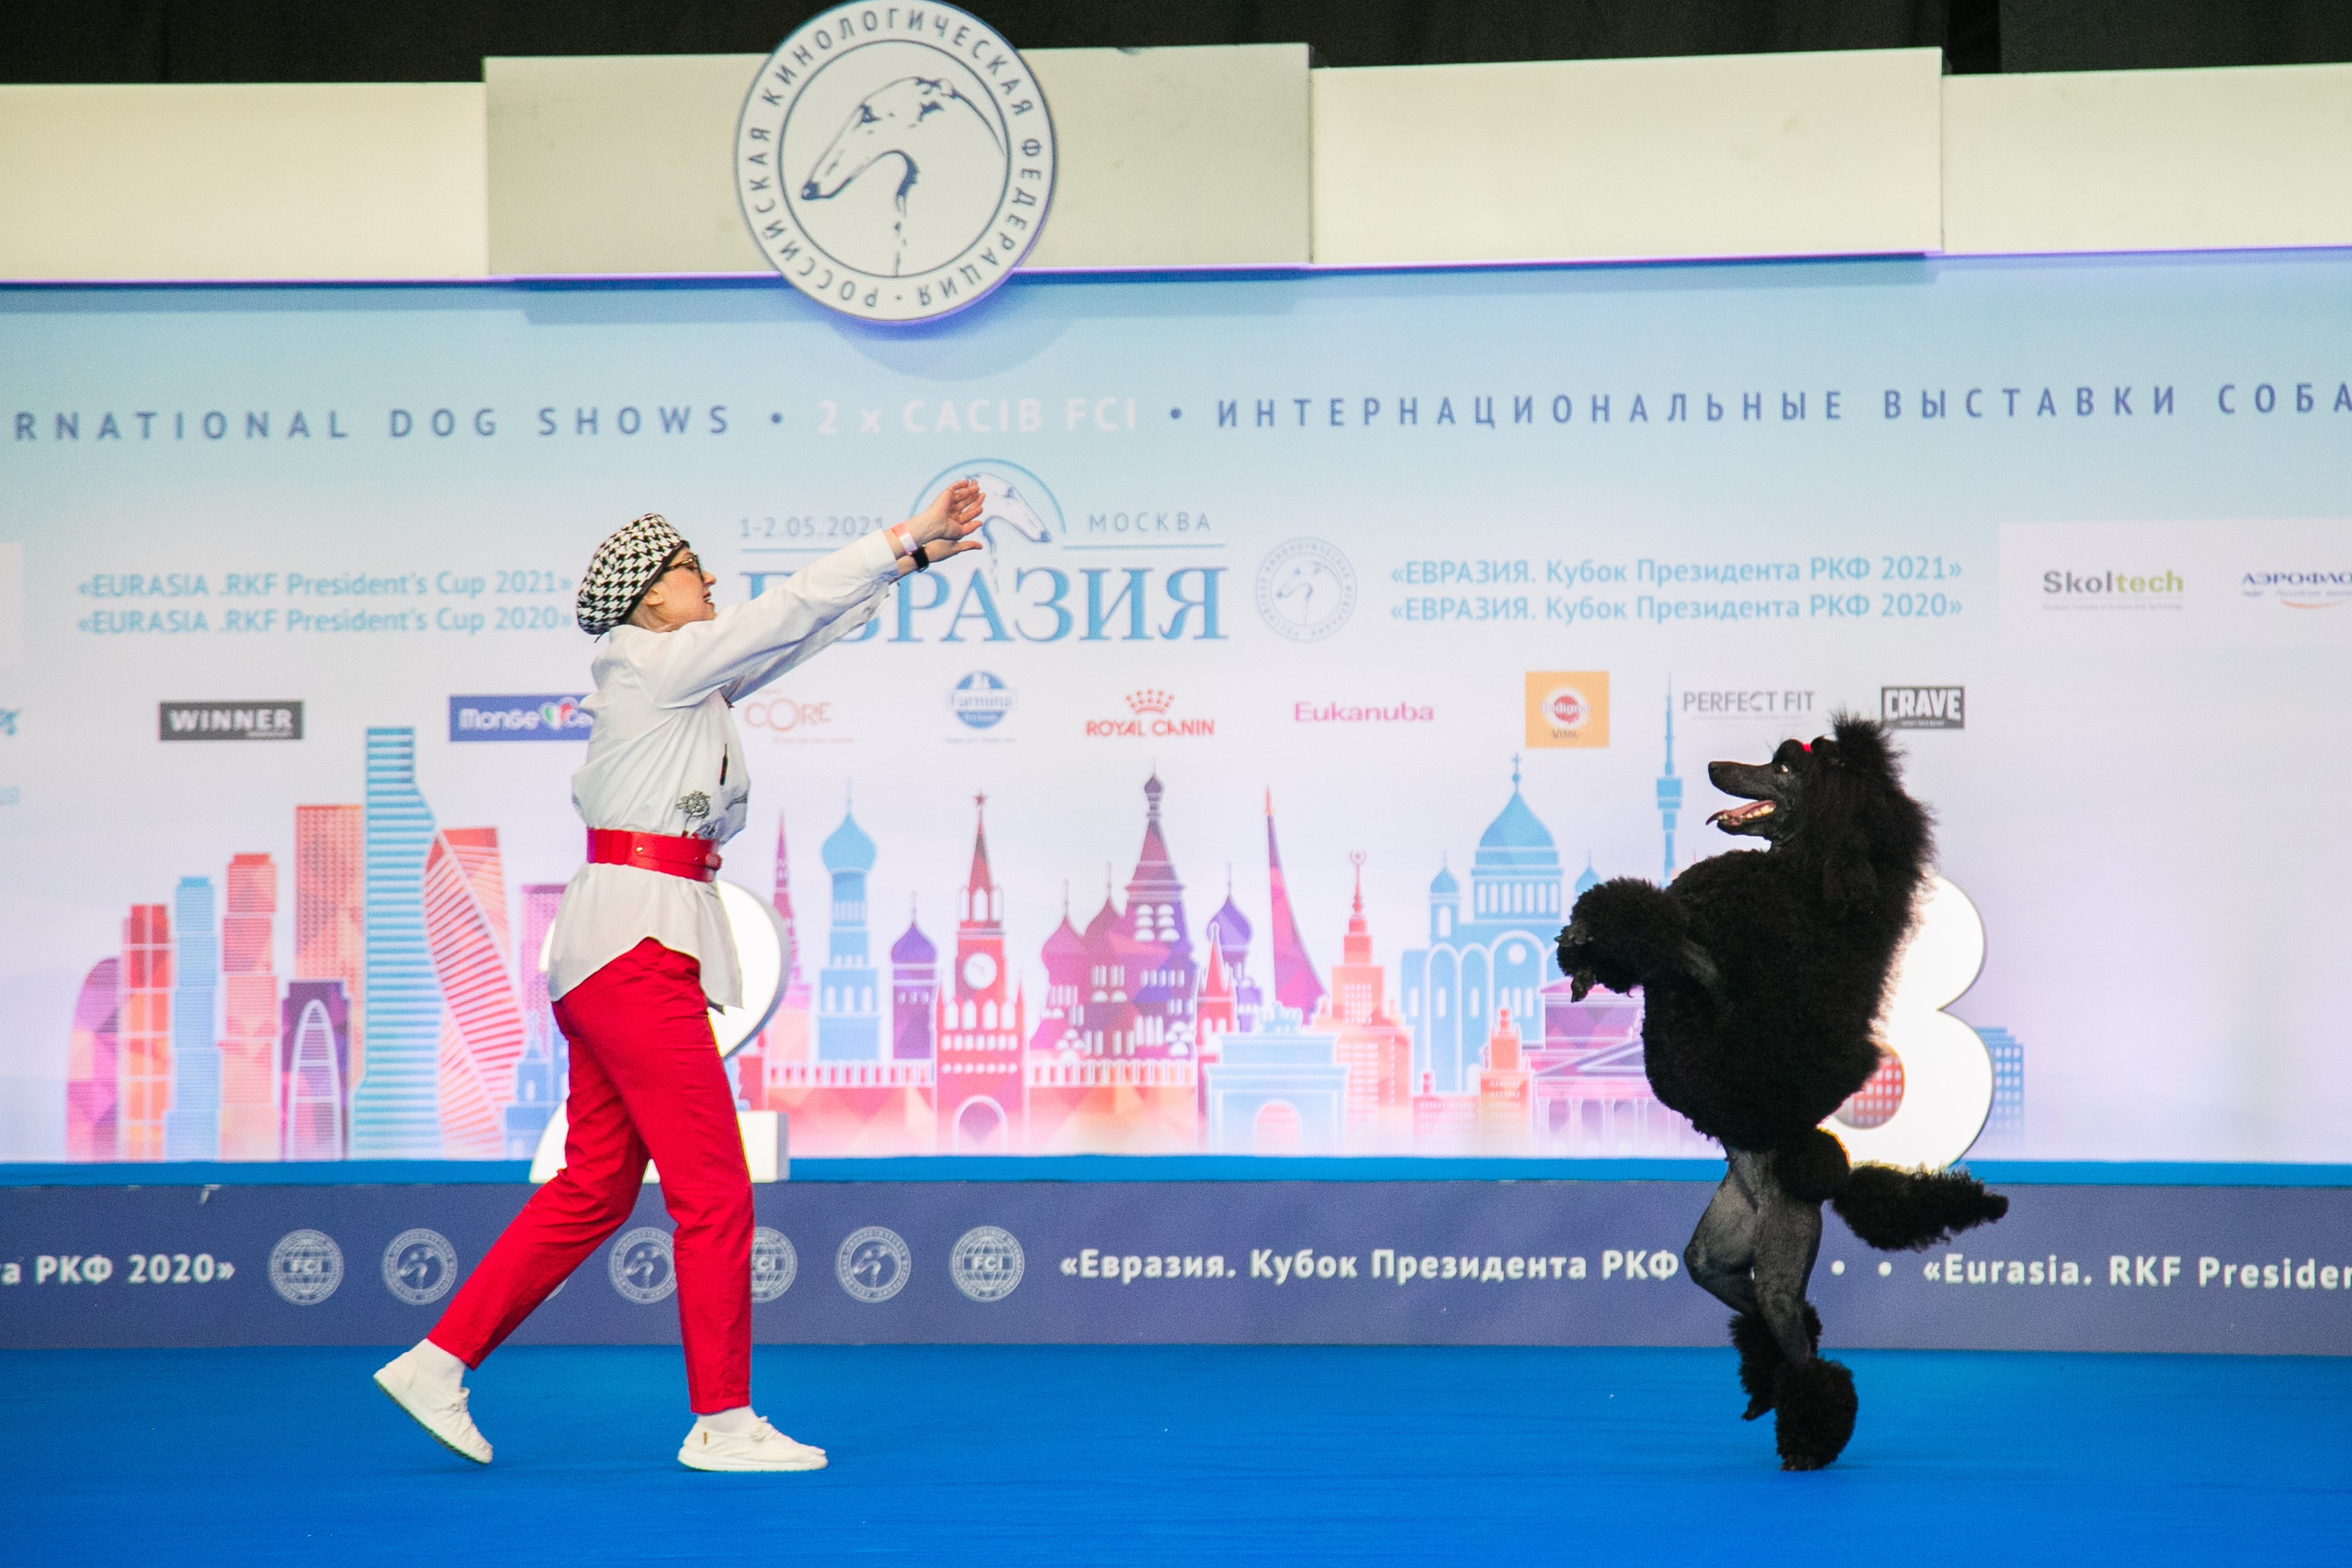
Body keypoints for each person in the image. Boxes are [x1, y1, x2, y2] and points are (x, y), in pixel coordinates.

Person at [374, 480, 984, 1472]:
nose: (711, 582)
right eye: (693, 571)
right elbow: (779, 613)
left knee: (594, 1187)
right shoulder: (652, 665)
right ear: (652, 600)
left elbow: (786, 642)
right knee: (710, 1186)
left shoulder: (673, 681)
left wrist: (909, 565)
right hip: (638, 948)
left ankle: (437, 1362)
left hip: (619, 946)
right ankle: (722, 1421)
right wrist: (899, 536)